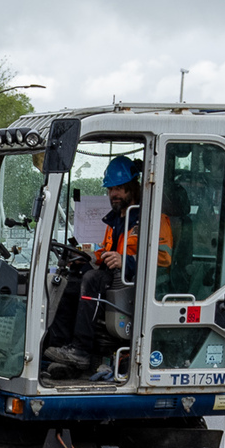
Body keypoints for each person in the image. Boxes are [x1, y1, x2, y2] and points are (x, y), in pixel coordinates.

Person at [46, 155, 170, 374]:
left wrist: (127, 261)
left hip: (133, 284)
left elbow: (165, 258)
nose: (114, 194)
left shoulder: (153, 219)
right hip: (112, 278)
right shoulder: (115, 220)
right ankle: (59, 347)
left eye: (120, 188)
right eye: (111, 189)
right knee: (69, 282)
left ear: (133, 186)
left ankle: (81, 350)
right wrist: (90, 257)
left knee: (92, 280)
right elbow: (106, 250)